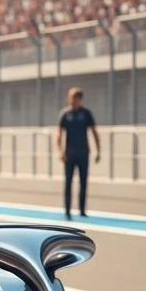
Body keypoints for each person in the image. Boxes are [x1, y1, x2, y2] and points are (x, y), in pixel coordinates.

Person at [56, 86, 100, 219]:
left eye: (74, 98)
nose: (72, 101)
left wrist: (98, 150)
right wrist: (60, 151)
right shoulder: (65, 114)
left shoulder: (86, 113)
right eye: (70, 98)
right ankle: (67, 211)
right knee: (68, 182)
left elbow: (94, 131)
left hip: (83, 152)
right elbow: (59, 134)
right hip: (70, 153)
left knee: (83, 181)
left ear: (79, 99)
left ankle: (82, 209)